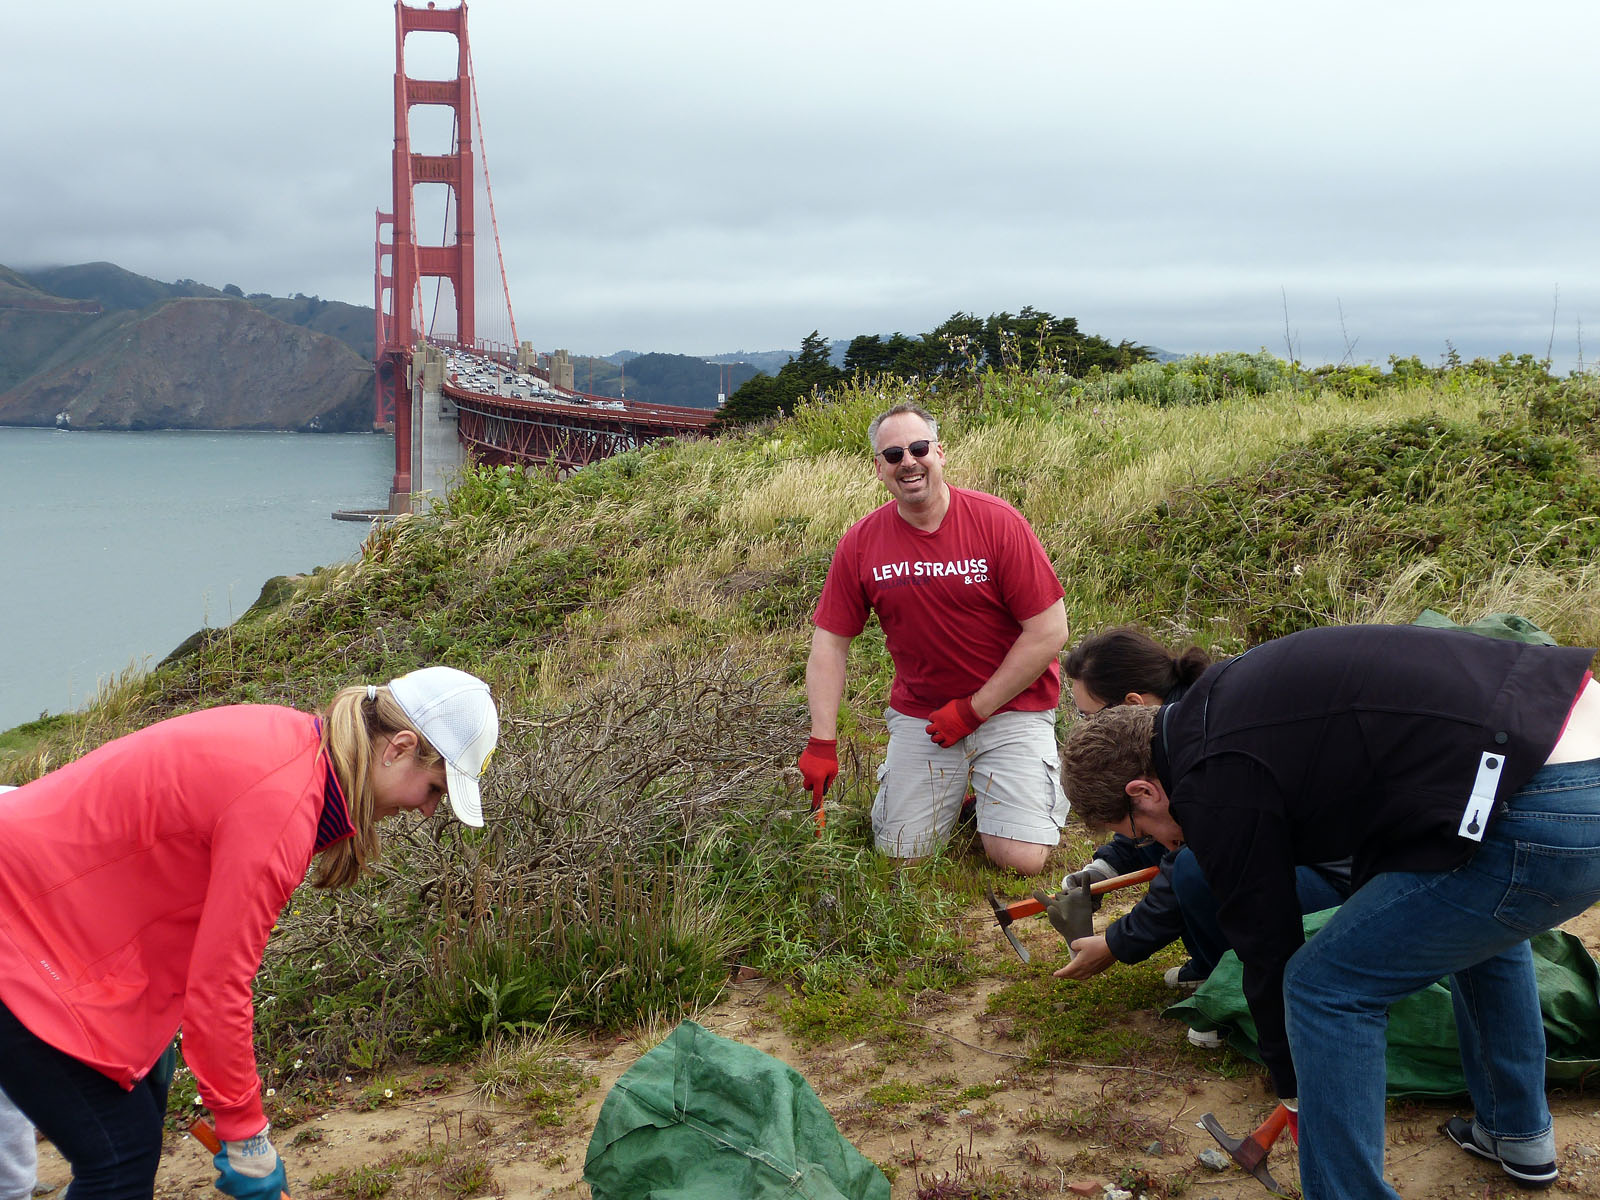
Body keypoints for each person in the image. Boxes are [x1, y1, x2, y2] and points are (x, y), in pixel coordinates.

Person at [1060, 623, 1600, 1199]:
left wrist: (1292, 1085)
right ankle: (1516, 1132)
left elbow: (1266, 943)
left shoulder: (1212, 778)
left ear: (1143, 791)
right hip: (1558, 741)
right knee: (1474, 926)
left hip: (1542, 801)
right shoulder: (1221, 703)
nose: (1162, 844)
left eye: (1140, 833)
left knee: (1324, 987)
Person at [0, 667, 499, 1200]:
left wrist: (147, 1033)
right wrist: (246, 1138)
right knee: (119, 1156)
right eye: (434, 788)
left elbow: (165, 893)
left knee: (133, 1130)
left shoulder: (291, 741)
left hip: (48, 916)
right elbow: (219, 990)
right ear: (398, 748)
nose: (427, 809)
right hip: (19, 921)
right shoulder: (282, 804)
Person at [798, 402, 1070, 875]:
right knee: (903, 858)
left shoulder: (998, 522)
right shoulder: (861, 542)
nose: (908, 461)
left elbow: (1049, 631)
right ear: (878, 468)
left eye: (919, 448)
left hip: (1011, 708)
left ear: (939, 453)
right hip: (924, 717)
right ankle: (966, 795)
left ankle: (1002, 794)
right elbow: (829, 644)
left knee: (1019, 860)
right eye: (893, 455)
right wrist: (822, 741)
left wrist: (973, 710)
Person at [1053, 628, 1350, 1000]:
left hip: (1339, 883)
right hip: (1316, 861)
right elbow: (1150, 817)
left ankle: (1229, 979)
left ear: (1132, 703)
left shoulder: (1208, 750)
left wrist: (1118, 943)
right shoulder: (1182, 728)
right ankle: (1220, 964)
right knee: (1169, 836)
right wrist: (1106, 867)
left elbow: (1191, 858)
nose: (1087, 727)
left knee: (1192, 864)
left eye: (1090, 716)